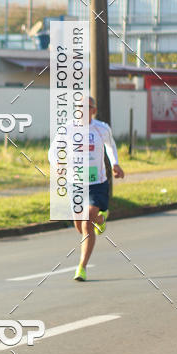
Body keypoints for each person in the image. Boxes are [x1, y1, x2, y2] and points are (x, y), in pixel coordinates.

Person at [73, 96, 125, 282]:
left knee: (87, 223)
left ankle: (82, 267)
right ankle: (101, 218)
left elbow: (111, 146)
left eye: (85, 107)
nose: (81, 110)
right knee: (79, 225)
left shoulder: (102, 128)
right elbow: (54, 150)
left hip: (97, 183)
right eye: (78, 106)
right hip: (76, 183)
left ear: (93, 110)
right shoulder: (68, 129)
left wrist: (115, 164)